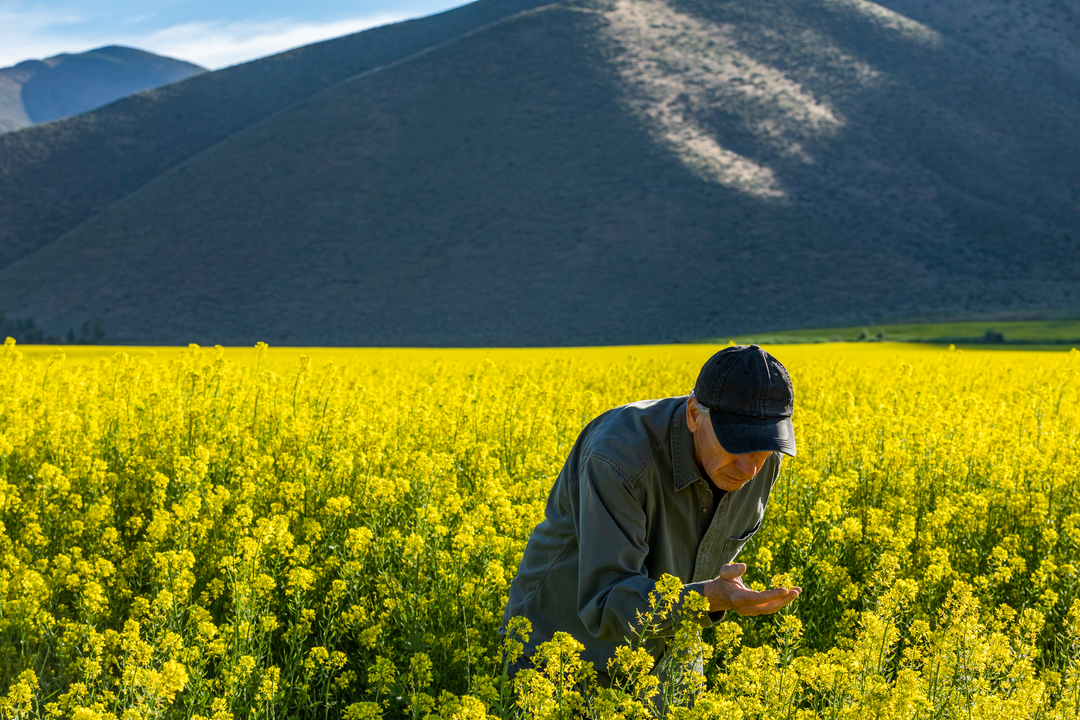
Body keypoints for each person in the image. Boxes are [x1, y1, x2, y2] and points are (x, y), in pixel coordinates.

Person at [501, 344, 801, 680]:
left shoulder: (762, 464)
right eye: (737, 444)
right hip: (563, 660)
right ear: (693, 415)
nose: (750, 470)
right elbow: (607, 601)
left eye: (764, 447)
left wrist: (716, 595)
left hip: (665, 659)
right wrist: (712, 596)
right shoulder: (618, 458)